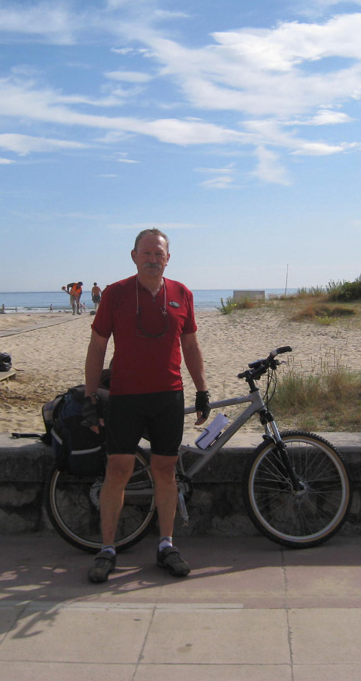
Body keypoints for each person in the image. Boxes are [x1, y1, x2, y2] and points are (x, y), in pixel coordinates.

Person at [83, 228, 210, 584]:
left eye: (160, 254)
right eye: (147, 253)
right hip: (125, 397)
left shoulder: (182, 293)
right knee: (118, 470)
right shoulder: (115, 293)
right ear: (134, 255)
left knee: (166, 472)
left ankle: (166, 545)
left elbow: (191, 346)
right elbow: (97, 347)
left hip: (168, 396)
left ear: (168, 258)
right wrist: (90, 396)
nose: (153, 259)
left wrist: (201, 389)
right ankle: (107, 549)